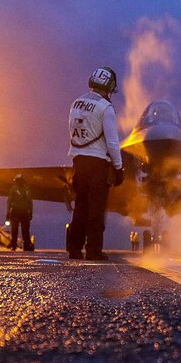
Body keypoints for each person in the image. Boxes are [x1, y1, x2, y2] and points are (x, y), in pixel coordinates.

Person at [67, 65, 124, 260]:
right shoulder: (105, 107)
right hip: (98, 163)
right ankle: (93, 250)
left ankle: (74, 249)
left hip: (78, 161)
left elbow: (72, 131)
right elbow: (112, 141)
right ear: (109, 86)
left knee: (80, 207)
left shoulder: (77, 103)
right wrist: (118, 167)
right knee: (96, 210)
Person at [7, 174, 34, 251]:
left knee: (14, 229)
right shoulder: (27, 190)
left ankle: (14, 245)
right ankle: (26, 245)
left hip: (16, 211)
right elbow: (30, 202)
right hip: (24, 212)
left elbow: (9, 201)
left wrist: (8, 212)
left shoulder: (13, 189)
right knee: (25, 230)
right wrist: (31, 212)